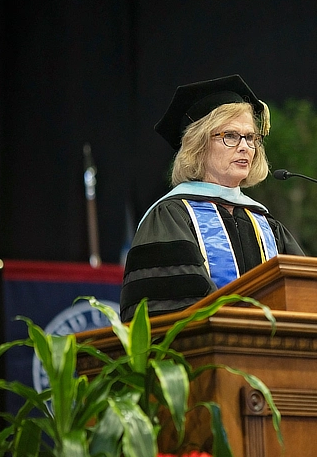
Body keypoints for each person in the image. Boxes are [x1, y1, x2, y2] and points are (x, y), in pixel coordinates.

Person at [120, 75, 304, 322]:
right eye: (230, 135)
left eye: (250, 138)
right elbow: (171, 309)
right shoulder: (170, 217)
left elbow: (304, 294)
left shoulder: (266, 225)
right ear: (199, 145)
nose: (245, 147)